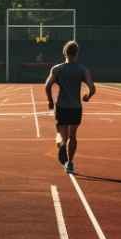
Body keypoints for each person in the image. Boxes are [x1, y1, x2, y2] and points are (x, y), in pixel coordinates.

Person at [44, 40, 95, 174]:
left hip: (61, 106)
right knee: (73, 136)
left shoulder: (57, 69)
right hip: (76, 107)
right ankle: (70, 162)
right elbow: (92, 87)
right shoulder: (82, 69)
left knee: (61, 134)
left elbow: (47, 86)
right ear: (76, 53)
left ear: (64, 52)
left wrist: (50, 100)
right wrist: (88, 96)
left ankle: (61, 145)